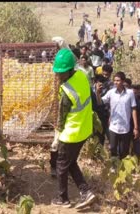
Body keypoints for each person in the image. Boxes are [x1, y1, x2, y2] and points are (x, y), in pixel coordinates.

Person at [50, 48, 96, 209]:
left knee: (61, 164)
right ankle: (86, 192)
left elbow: (61, 119)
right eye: (57, 72)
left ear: (69, 71)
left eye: (61, 73)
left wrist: (56, 138)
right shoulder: (82, 76)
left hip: (71, 133)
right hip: (84, 129)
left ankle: (63, 198)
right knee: (71, 162)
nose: (58, 75)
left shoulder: (66, 91)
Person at [96, 71, 139, 161]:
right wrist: (98, 93)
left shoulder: (130, 93)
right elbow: (100, 102)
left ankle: (122, 170)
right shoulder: (111, 92)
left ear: (123, 81)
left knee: (124, 151)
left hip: (125, 127)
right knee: (113, 149)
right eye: (115, 80)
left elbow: (133, 109)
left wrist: (135, 127)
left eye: (118, 80)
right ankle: (113, 168)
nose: (116, 82)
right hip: (113, 126)